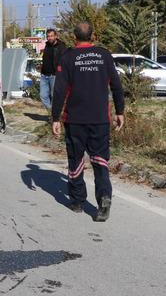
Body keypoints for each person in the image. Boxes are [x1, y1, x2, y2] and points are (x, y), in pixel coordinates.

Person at [52, 22, 125, 221]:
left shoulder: (68, 57)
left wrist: (55, 117)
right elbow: (116, 86)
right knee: (100, 161)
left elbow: (59, 90)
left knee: (76, 160)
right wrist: (120, 111)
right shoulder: (104, 55)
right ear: (92, 36)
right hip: (100, 118)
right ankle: (104, 199)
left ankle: (77, 201)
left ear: (75, 36)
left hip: (75, 119)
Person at [39, 28, 67, 111]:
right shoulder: (47, 45)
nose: (49, 38)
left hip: (54, 75)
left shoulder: (61, 46)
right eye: (48, 36)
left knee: (54, 96)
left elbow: (64, 60)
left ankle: (55, 115)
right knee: (42, 95)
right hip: (44, 75)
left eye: (51, 36)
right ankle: (52, 112)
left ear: (56, 36)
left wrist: (60, 72)